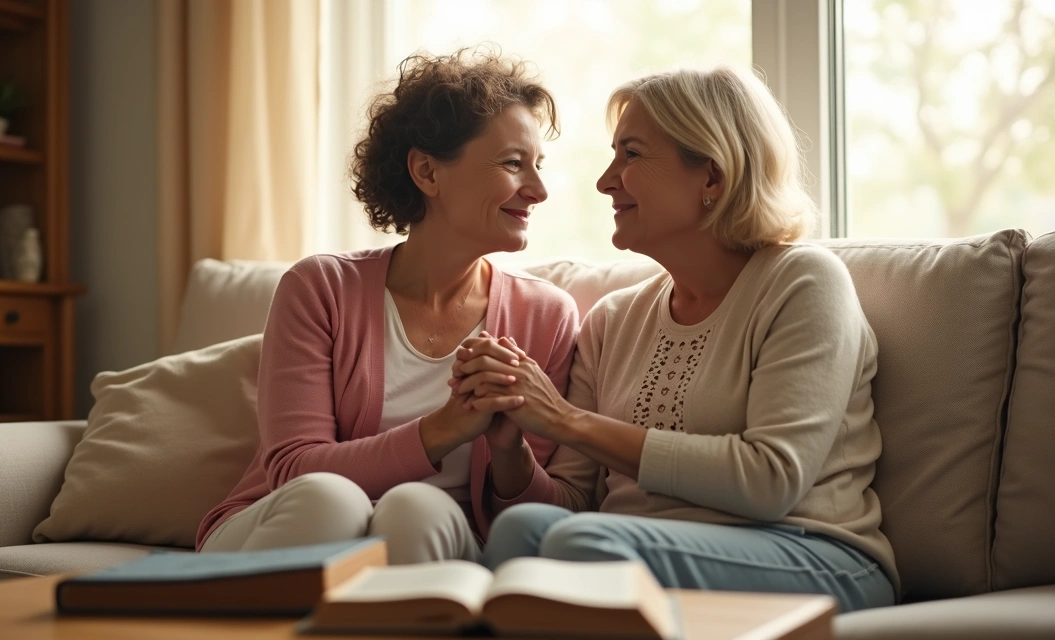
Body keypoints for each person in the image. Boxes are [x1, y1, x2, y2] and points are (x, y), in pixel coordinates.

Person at [451, 66, 897, 612]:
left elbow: (771, 480)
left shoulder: (804, 283)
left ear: (713, 177)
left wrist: (564, 419)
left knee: (582, 546)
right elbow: (571, 503)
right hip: (625, 543)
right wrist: (510, 443)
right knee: (521, 530)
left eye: (632, 154)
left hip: (814, 552)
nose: (606, 181)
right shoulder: (613, 320)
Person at [196, 48, 580, 565]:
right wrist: (444, 429)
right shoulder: (321, 287)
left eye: (538, 166)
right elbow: (292, 469)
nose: (538, 190)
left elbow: (539, 524)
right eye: (514, 164)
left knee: (417, 508)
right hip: (291, 520)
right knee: (330, 499)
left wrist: (511, 451)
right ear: (427, 171)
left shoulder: (547, 316)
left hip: (433, 535)